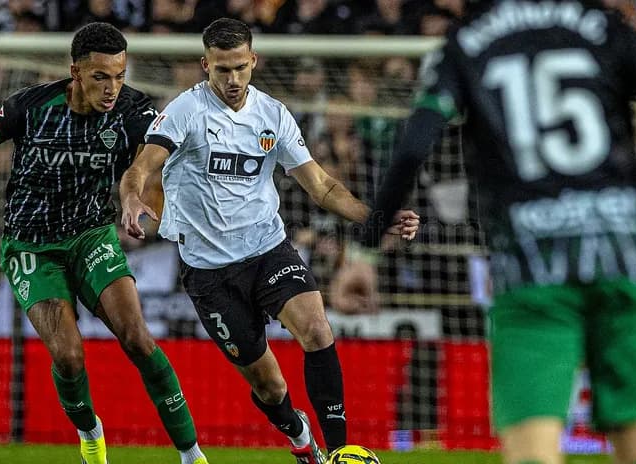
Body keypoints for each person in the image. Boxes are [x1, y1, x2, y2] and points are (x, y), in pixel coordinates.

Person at [361, 2, 636, 464]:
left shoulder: (466, 42)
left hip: (531, 273)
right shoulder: (606, 28)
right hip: (621, 262)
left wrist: (366, 249)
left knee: (534, 456)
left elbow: (413, 146)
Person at [118, 18, 418, 464]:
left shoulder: (273, 114)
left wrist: (376, 216)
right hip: (209, 272)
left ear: (253, 61)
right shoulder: (185, 110)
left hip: (267, 250)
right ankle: (299, 436)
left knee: (317, 329)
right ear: (206, 66)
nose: (233, 79)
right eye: (222, 70)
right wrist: (130, 196)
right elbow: (143, 166)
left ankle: (340, 451)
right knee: (269, 385)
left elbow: (321, 186)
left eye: (240, 67)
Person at [0, 22, 208, 464]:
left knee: (136, 337)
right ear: (75, 72)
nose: (113, 87)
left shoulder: (133, 110)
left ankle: (192, 454)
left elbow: (154, 155)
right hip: (31, 246)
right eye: (101, 77)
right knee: (69, 357)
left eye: (119, 74)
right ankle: (90, 434)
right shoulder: (30, 106)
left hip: (91, 236)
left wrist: (135, 193)